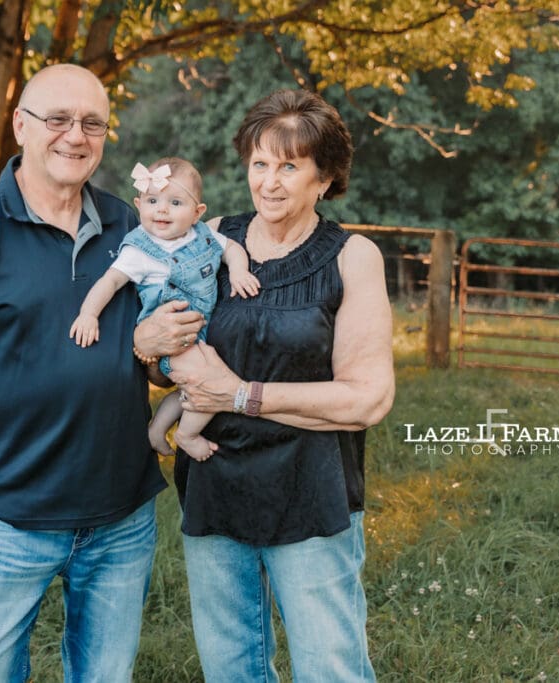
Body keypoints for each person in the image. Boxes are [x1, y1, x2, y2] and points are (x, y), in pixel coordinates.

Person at [0, 64, 201, 683]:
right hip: (5, 515)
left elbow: (159, 367)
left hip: (119, 514)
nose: (76, 135)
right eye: (58, 119)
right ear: (21, 125)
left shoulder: (135, 227)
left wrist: (152, 348)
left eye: (92, 123)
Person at [133, 89, 395, 682]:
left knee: (329, 667)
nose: (269, 182)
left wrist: (239, 394)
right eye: (259, 163)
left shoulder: (352, 257)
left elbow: (367, 397)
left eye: (289, 165)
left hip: (311, 492)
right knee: (230, 667)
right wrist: (150, 348)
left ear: (323, 179)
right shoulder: (211, 238)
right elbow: (164, 353)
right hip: (215, 483)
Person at [69, 157, 260, 461]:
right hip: (174, 341)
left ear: (197, 213)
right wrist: (88, 314)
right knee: (209, 385)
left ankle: (158, 429)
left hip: (202, 333)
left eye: (175, 202)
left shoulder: (203, 236)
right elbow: (110, 281)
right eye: (153, 200)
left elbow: (232, 249)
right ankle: (187, 434)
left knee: (188, 391)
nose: (161, 209)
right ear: (138, 203)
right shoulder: (139, 249)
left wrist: (238, 271)